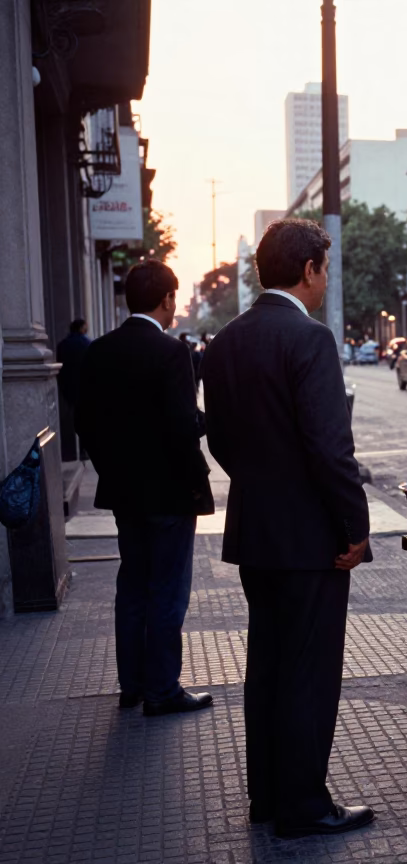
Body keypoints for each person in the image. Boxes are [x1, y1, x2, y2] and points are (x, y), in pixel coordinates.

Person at [201, 219, 375, 839]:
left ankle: (267, 798)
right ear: (308, 270)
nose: (326, 281)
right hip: (311, 542)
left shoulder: (224, 342)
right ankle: (304, 806)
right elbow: (331, 448)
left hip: (257, 533)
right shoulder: (310, 339)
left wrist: (262, 483)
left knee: (268, 667)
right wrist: (355, 526)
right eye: (324, 269)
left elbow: (220, 439)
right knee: (309, 672)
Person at [75, 261, 214, 717]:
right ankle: (162, 690)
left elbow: (84, 424)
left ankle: (131, 684)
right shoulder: (171, 352)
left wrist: (112, 469)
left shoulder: (99, 352)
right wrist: (206, 425)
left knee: (132, 585)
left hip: (123, 494)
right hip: (170, 494)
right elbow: (181, 425)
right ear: (167, 299)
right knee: (167, 590)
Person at [56, 318, 91, 461]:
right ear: (81, 328)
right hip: (84, 387)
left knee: (69, 418)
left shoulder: (62, 345)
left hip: (67, 387)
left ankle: (69, 449)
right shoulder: (87, 343)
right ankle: (83, 449)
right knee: (86, 419)